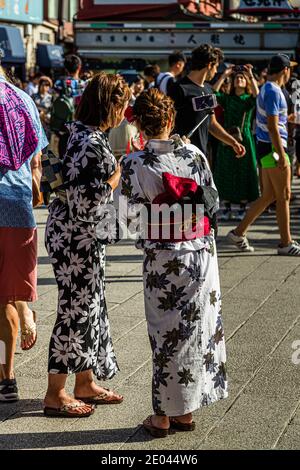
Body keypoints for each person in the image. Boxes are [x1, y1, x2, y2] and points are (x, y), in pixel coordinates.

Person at [120, 88, 228, 437]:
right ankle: (186, 411)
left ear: (141, 124)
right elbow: (211, 198)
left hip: (163, 257)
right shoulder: (195, 155)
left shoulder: (134, 163)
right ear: (170, 119)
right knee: (196, 331)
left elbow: (128, 219)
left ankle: (164, 416)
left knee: (165, 335)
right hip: (199, 254)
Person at [44, 73, 130, 417]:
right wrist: (115, 178)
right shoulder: (91, 144)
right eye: (121, 104)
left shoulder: (81, 133)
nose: (124, 111)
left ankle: (85, 381)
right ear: (109, 105)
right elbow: (86, 203)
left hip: (73, 235)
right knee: (76, 311)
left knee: (89, 308)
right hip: (76, 239)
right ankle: (56, 392)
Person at [0, 67, 48, 402]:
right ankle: (7, 381)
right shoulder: (24, 99)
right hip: (18, 208)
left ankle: (6, 375)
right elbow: (37, 160)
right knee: (6, 296)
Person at [227, 54, 300, 255]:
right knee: (284, 195)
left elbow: (272, 122)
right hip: (273, 148)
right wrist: (280, 155)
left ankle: (238, 232)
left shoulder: (268, 89)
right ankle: (286, 243)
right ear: (285, 70)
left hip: (266, 147)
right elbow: (272, 126)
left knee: (268, 195)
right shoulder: (273, 91)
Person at [170, 44, 246, 159]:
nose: (216, 71)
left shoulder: (208, 89)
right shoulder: (179, 89)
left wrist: (233, 142)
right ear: (209, 65)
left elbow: (212, 123)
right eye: (216, 67)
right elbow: (167, 124)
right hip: (180, 157)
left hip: (201, 156)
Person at [213, 65, 259, 220]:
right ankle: (225, 206)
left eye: (241, 78)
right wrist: (225, 74)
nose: (239, 79)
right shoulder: (228, 99)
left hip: (244, 136)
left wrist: (250, 75)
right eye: (236, 78)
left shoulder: (248, 100)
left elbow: (256, 95)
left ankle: (241, 206)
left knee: (243, 170)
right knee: (225, 169)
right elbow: (214, 93)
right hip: (227, 136)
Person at [52, 55, 86, 158]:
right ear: (79, 67)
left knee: (63, 160)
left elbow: (53, 103)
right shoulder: (84, 85)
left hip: (64, 128)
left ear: (65, 68)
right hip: (81, 129)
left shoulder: (59, 83)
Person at [32, 76, 53, 140]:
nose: (44, 87)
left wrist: (46, 116)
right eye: (43, 85)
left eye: (47, 85)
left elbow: (52, 111)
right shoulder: (34, 96)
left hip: (46, 125)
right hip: (35, 125)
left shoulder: (51, 98)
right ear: (39, 85)